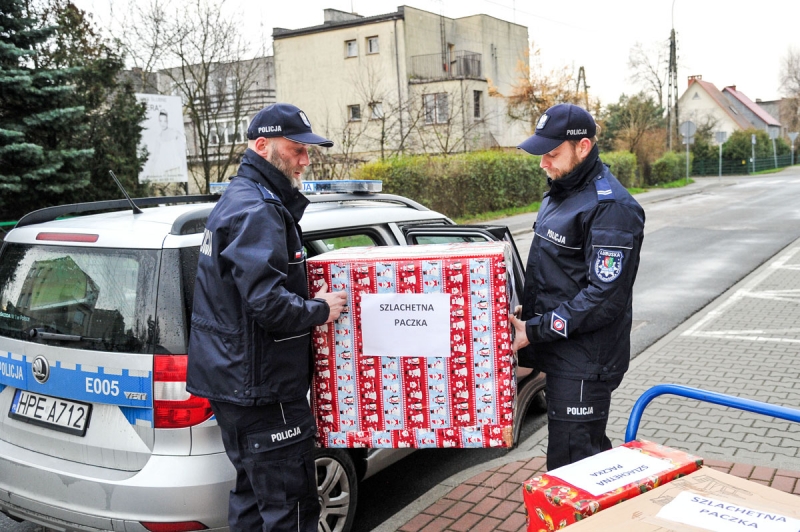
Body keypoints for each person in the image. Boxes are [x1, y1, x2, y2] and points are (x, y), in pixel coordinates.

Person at [186, 103, 348, 531]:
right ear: (263, 146)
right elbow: (268, 304)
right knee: (291, 512)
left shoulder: (238, 200)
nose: (305, 160)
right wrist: (321, 310)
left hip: (238, 385)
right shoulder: (258, 209)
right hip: (264, 392)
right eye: (297, 149)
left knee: (253, 502)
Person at [509, 103, 645, 471]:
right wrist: (529, 310)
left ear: (582, 147)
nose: (543, 163)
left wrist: (534, 330)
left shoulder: (612, 207)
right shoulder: (561, 191)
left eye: (552, 154)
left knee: (573, 465)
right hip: (565, 352)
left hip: (586, 361)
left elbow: (603, 298)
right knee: (588, 456)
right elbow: (560, 274)